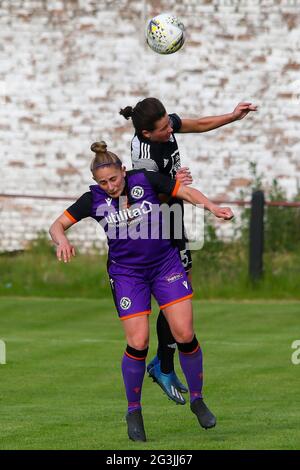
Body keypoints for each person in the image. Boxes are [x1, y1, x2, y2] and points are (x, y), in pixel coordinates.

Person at [49, 141, 234, 441]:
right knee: (139, 342)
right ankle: (134, 410)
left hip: (165, 265)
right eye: (103, 182)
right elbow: (57, 225)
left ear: (124, 170)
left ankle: (198, 400)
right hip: (127, 275)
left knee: (184, 334)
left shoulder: (144, 180)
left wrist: (212, 207)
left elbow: (183, 191)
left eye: (114, 179)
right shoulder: (92, 199)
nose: (110, 186)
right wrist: (62, 240)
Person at [120, 97, 257, 403]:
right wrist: (174, 186)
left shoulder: (164, 127)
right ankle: (163, 366)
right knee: (175, 296)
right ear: (146, 134)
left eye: (170, 122)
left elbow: (199, 124)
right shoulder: (144, 157)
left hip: (173, 220)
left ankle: (162, 365)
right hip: (155, 227)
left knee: (182, 291)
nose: (171, 128)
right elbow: (145, 206)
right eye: (165, 127)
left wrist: (233, 117)